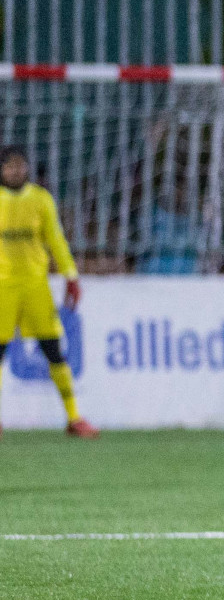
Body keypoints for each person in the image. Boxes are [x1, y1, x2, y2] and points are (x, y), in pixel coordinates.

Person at [0, 145, 97, 438]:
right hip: (3, 285)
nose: (16, 171)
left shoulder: (41, 199)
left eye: (21, 165)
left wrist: (71, 275)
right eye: (10, 166)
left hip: (35, 286)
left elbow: (55, 239)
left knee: (53, 349)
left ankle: (74, 418)